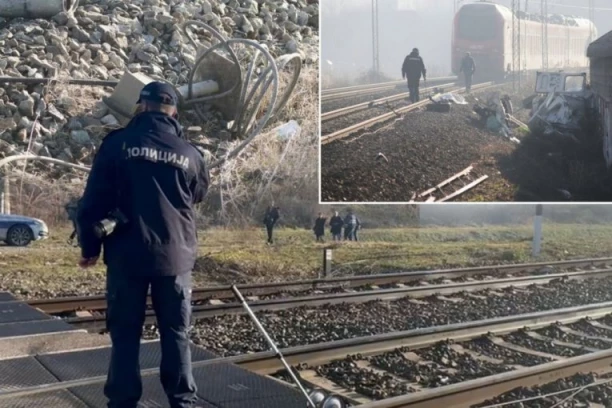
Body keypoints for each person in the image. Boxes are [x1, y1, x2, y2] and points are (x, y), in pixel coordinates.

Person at [75, 81, 210, 408]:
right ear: (174, 111)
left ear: (140, 107)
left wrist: (90, 248)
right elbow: (198, 195)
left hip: (126, 257)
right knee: (177, 335)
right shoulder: (191, 154)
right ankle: (182, 402)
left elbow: (91, 203)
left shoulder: (116, 144)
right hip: (175, 259)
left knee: (125, 337)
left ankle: (122, 403)